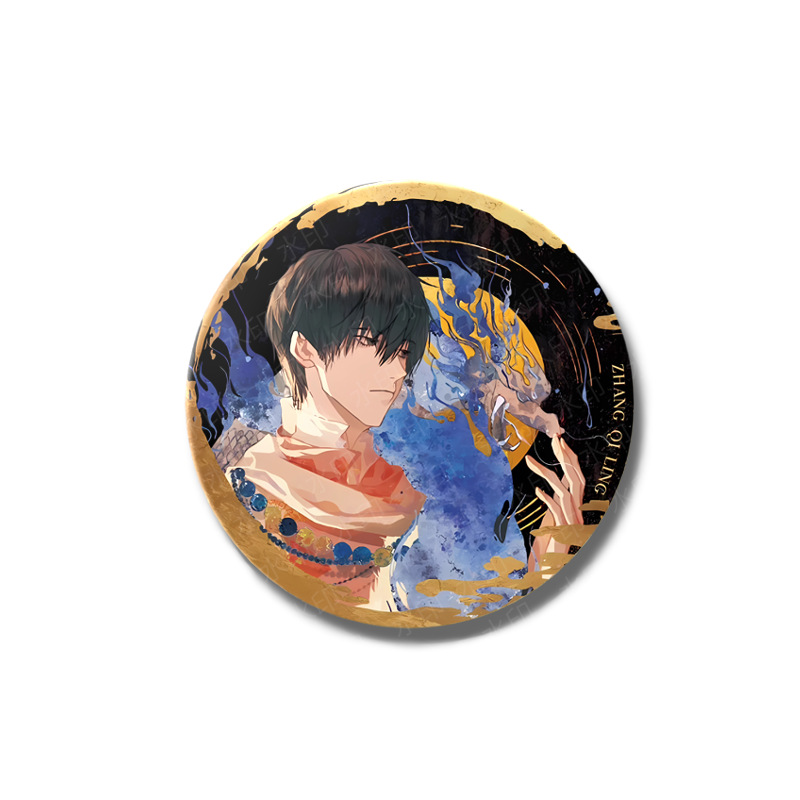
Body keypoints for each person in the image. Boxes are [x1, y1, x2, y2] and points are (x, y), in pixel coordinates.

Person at [227, 244, 432, 610]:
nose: (397, 371)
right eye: (370, 342)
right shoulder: (247, 490)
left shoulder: (414, 489)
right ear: (305, 348)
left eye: (403, 350)